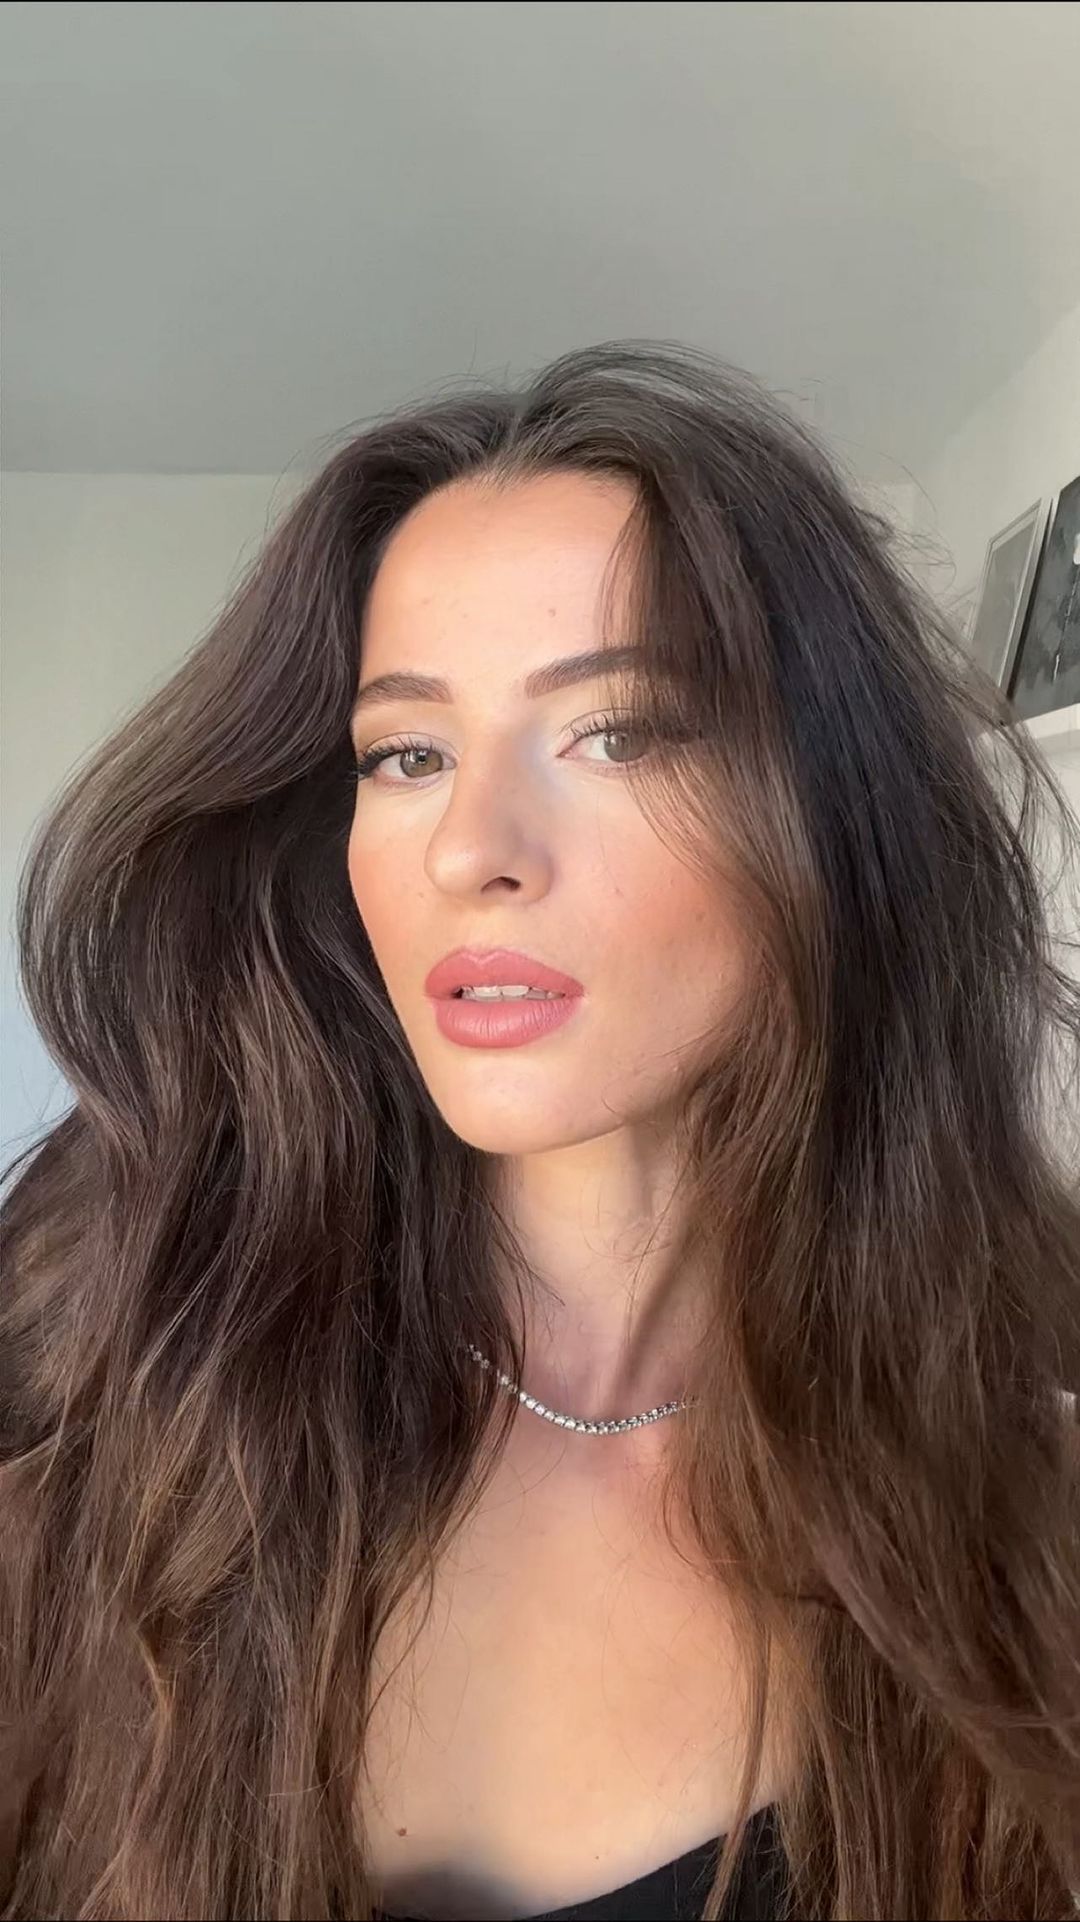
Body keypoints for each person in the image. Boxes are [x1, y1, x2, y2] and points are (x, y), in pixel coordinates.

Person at [1, 340, 1077, 1922]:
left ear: (834, 808)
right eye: (407, 753)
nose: (472, 849)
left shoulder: (1028, 1506)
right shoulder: (97, 1375)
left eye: (617, 732)